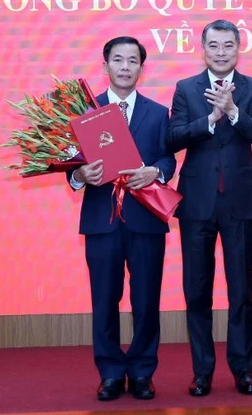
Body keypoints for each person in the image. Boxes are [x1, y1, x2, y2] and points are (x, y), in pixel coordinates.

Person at [166, 19, 252, 396]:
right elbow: (173, 138)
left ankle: (243, 370)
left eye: (228, 46)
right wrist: (210, 119)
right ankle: (202, 372)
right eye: (214, 46)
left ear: (238, 48)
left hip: (240, 204)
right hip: (197, 204)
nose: (221, 52)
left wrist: (234, 113)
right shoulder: (186, 89)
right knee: (197, 292)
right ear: (203, 48)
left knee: (241, 291)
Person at [69, 36, 176, 401]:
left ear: (141, 69)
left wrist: (155, 173)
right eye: (118, 60)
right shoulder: (86, 111)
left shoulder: (159, 113)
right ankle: (111, 373)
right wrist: (80, 175)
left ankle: (143, 372)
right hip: (102, 221)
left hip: (145, 221)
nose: (125, 66)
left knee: (146, 301)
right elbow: (70, 166)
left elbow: (168, 160)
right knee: (104, 300)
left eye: (133, 61)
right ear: (105, 66)